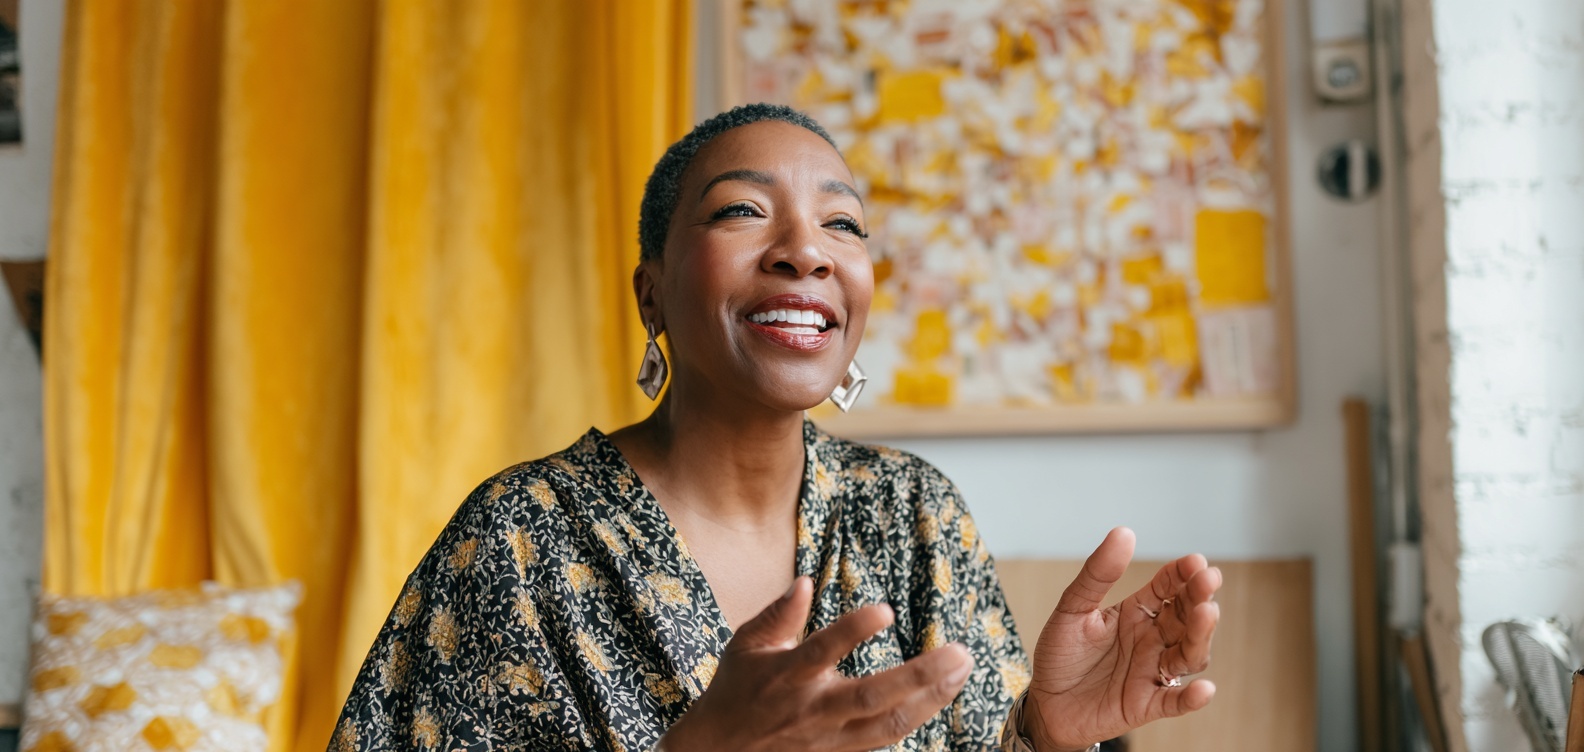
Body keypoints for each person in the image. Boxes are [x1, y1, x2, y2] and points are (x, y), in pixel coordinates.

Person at [332, 103, 1222, 752]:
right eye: (742, 211)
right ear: (652, 293)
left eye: (843, 224)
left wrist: (1048, 733)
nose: (807, 251)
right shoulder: (520, 538)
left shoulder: (913, 512)